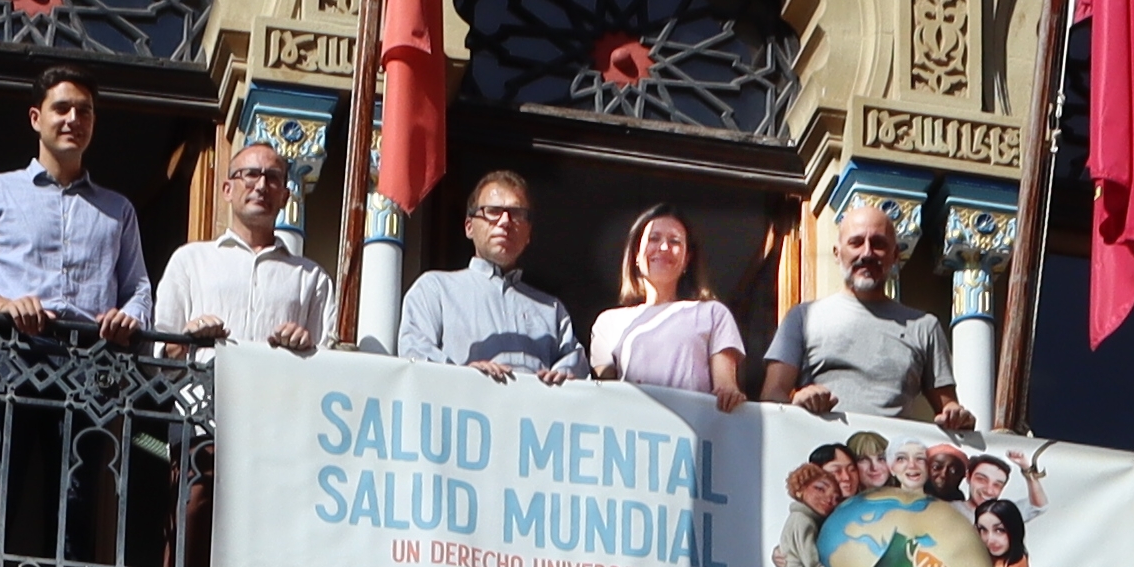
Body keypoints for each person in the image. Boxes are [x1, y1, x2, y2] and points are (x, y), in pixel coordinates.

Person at [0, 67, 145, 332]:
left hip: (92, 352)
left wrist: (129, 317)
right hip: (11, 346)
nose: (73, 119)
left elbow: (138, 290)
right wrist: (3, 305)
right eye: (61, 109)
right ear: (36, 119)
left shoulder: (119, 209)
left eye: (84, 111)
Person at [760, 196, 963, 426]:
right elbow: (771, 396)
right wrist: (797, 400)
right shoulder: (802, 318)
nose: (867, 253)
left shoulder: (924, 326)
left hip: (892, 448)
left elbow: (948, 409)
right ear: (837, 253)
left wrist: (956, 414)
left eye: (878, 244)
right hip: (820, 445)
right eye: (856, 243)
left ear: (895, 255)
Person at [149, 136, 332, 352]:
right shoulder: (190, 261)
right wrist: (188, 341)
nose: (261, 186)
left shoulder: (311, 277)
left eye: (272, 177)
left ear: (284, 197)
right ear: (227, 190)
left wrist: (304, 347)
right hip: (206, 375)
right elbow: (161, 353)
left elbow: (326, 360)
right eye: (251, 174)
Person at [399, 169, 580, 378]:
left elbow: (578, 375)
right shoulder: (435, 290)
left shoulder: (552, 309)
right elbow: (415, 357)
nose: (505, 221)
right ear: (469, 227)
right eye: (493, 211)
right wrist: (466, 378)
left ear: (529, 233)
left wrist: (564, 381)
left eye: (517, 213)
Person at [586, 205, 750, 406]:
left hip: (693, 424)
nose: (664, 247)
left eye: (674, 241)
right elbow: (606, 396)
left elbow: (725, 387)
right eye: (654, 239)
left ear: (687, 259)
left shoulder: (713, 313)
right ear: (636, 254)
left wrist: (730, 394)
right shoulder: (608, 322)